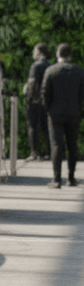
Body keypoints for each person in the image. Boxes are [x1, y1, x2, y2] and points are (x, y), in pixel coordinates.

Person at [41, 43, 84, 188]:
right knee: (72, 145)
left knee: (56, 145)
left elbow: (45, 92)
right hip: (74, 113)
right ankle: (71, 178)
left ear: (57, 55)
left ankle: (57, 179)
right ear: (70, 56)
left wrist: (48, 109)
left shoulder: (50, 71)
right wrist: (80, 111)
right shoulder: (79, 71)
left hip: (55, 113)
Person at [23, 42, 50, 161]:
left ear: (39, 53)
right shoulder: (49, 65)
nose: (33, 54)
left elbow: (32, 83)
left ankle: (35, 153)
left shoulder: (36, 66)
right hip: (46, 102)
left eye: (34, 51)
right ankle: (49, 153)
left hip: (35, 101)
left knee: (32, 127)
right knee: (46, 128)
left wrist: (28, 97)